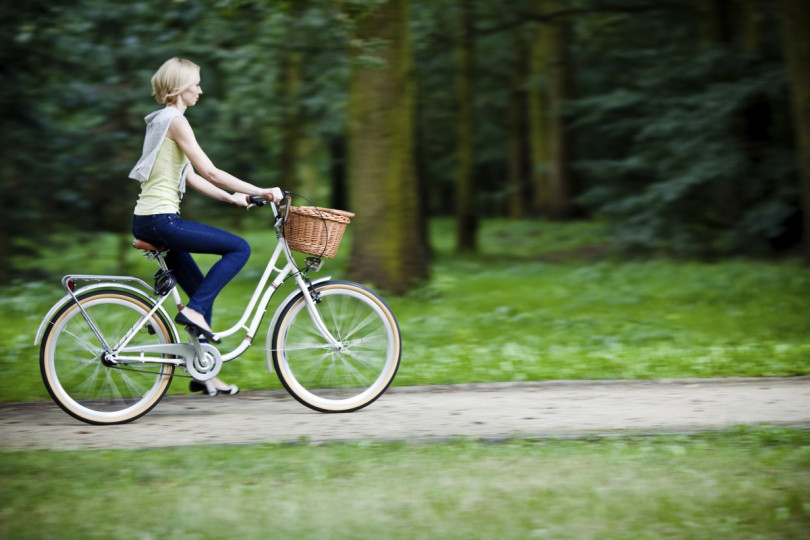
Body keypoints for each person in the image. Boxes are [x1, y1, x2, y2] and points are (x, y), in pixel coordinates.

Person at [130, 57, 283, 396]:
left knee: (202, 291)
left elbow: (191, 177)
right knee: (239, 248)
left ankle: (203, 373)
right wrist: (262, 191)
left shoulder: (164, 121)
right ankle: (195, 314)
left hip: (149, 219)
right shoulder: (176, 121)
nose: (200, 89)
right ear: (180, 87)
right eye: (196, 83)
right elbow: (210, 171)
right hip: (161, 221)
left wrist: (233, 199)